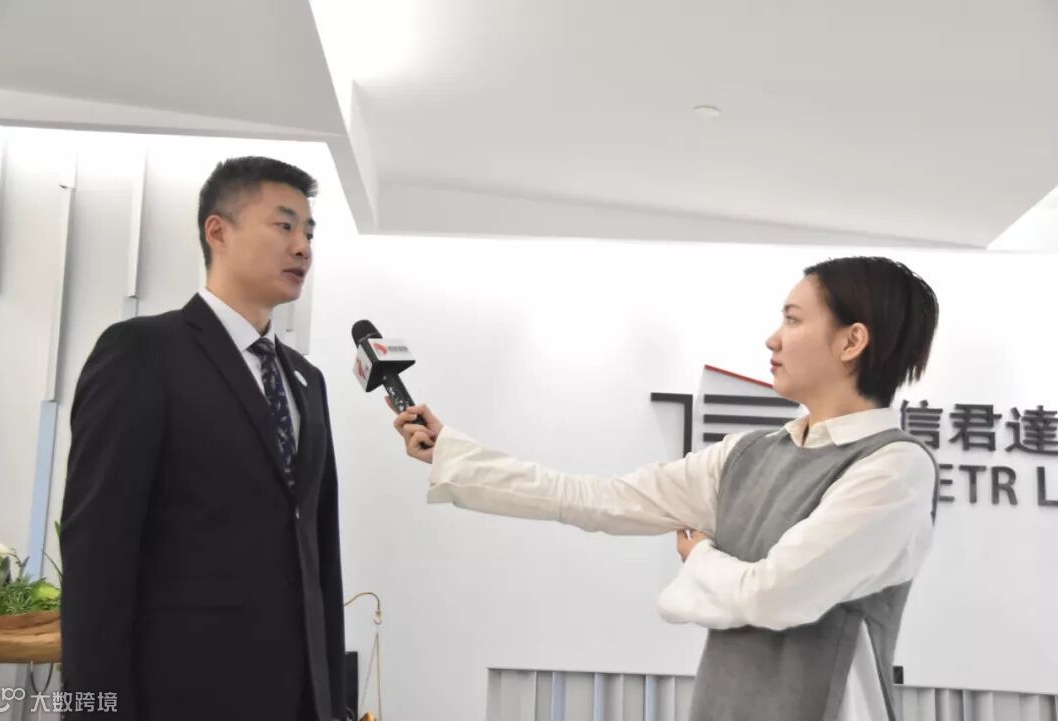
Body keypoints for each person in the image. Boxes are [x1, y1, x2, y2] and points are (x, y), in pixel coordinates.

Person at [391, 256, 939, 721]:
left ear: (852, 340)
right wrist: (455, 455)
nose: (773, 338)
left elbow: (774, 594)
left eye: (793, 320)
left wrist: (699, 557)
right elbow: (596, 499)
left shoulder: (894, 469)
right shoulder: (747, 454)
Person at [60, 157, 347, 721]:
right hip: (181, 693)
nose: (303, 248)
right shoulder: (143, 353)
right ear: (218, 231)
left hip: (298, 698)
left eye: (310, 233)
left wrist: (331, 698)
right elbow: (97, 551)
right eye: (284, 225)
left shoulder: (306, 380)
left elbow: (320, 552)